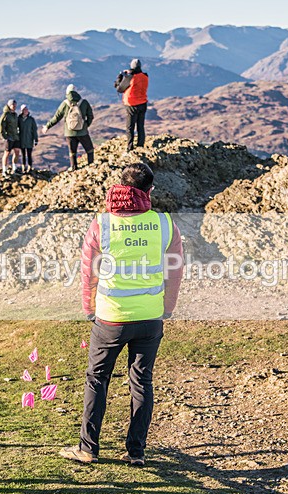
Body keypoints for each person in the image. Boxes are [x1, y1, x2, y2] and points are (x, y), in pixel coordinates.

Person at [60, 163, 184, 467]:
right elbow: (175, 271)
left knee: (97, 379)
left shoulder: (102, 224)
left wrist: (89, 308)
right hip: (150, 318)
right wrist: (167, 308)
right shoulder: (165, 224)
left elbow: (88, 272)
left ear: (121, 188)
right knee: (142, 381)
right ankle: (136, 452)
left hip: (111, 318)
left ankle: (88, 448)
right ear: (149, 191)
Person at [42, 84, 95, 171]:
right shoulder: (84, 102)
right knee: (89, 149)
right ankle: (91, 165)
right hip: (83, 132)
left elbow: (56, 117)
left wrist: (47, 126)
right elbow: (90, 116)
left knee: (72, 152)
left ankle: (74, 167)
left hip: (69, 133)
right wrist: (86, 125)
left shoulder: (65, 103)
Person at [116, 59, 149, 153]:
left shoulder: (130, 77)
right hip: (143, 103)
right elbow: (138, 77)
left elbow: (119, 88)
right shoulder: (145, 76)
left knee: (130, 127)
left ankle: (130, 147)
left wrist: (120, 77)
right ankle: (140, 145)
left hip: (132, 104)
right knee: (140, 126)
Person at [0, 99, 21, 175]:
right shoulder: (6, 115)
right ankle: (4, 170)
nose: (14, 106)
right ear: (9, 105)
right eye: (13, 105)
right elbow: (1, 125)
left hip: (16, 137)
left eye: (15, 105)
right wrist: (4, 136)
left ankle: (14, 168)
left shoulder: (15, 114)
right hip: (9, 137)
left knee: (17, 152)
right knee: (7, 153)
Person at [18, 104, 39, 173]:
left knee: (29, 154)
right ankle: (23, 167)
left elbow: (34, 130)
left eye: (27, 109)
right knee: (23, 155)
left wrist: (36, 139)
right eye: (24, 109)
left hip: (29, 140)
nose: (26, 111)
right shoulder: (19, 119)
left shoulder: (31, 120)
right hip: (21, 140)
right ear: (22, 111)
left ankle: (30, 167)